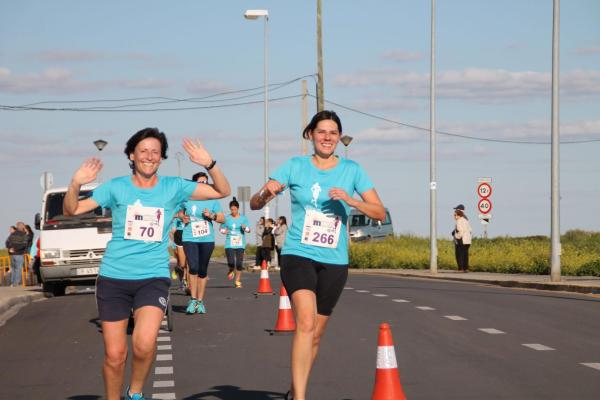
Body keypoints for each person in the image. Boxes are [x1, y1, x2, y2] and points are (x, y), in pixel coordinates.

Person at [63, 127, 230, 400]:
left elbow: (222, 191)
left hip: (152, 276)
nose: (149, 156)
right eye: (143, 151)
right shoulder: (116, 187)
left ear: (161, 158)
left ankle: (136, 392)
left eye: (155, 152)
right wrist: (75, 183)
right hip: (114, 277)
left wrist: (209, 164)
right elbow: (72, 209)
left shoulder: (173, 187)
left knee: (143, 344)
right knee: (115, 355)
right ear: (132, 154)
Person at [250, 110, 385, 400]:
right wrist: (265, 194)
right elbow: (253, 202)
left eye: (333, 133)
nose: (327, 137)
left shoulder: (353, 170)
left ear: (339, 137)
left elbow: (379, 211)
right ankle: (300, 397)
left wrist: (351, 200)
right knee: (306, 323)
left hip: (335, 260)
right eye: (321, 132)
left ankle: (294, 389)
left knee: (316, 333)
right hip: (299, 253)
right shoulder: (294, 166)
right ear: (310, 134)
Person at [179, 171, 225, 314]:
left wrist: (211, 215)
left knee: (202, 270)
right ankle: (193, 300)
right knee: (193, 267)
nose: (203, 184)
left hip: (207, 238)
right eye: (200, 182)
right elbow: (179, 212)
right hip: (189, 237)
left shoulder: (213, 200)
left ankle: (200, 301)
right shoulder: (186, 198)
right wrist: (183, 217)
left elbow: (222, 219)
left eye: (206, 182)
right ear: (195, 184)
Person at [220, 197, 251, 288]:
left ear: (238, 209)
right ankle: (230, 269)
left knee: (239, 263)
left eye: (235, 209)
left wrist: (245, 228)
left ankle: (237, 281)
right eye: (231, 209)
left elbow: (249, 230)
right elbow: (221, 228)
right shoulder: (227, 218)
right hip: (229, 243)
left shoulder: (243, 218)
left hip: (240, 243)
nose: (233, 211)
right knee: (231, 262)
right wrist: (223, 231)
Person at [5, 222, 29, 287]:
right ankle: (16, 283)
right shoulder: (24, 235)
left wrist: (10, 248)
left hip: (12, 254)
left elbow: (7, 242)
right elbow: (24, 244)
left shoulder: (12, 234)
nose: (24, 227)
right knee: (18, 268)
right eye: (23, 226)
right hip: (19, 254)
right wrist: (16, 249)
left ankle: (12, 283)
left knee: (13, 268)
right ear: (22, 227)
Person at [452, 204, 472, 273]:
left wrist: (456, 236)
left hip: (461, 240)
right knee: (465, 255)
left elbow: (460, 231)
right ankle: (466, 268)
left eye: (455, 214)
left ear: (459, 213)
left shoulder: (459, 220)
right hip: (467, 240)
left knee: (459, 254)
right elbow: (470, 229)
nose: (454, 215)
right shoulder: (466, 219)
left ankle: (461, 269)